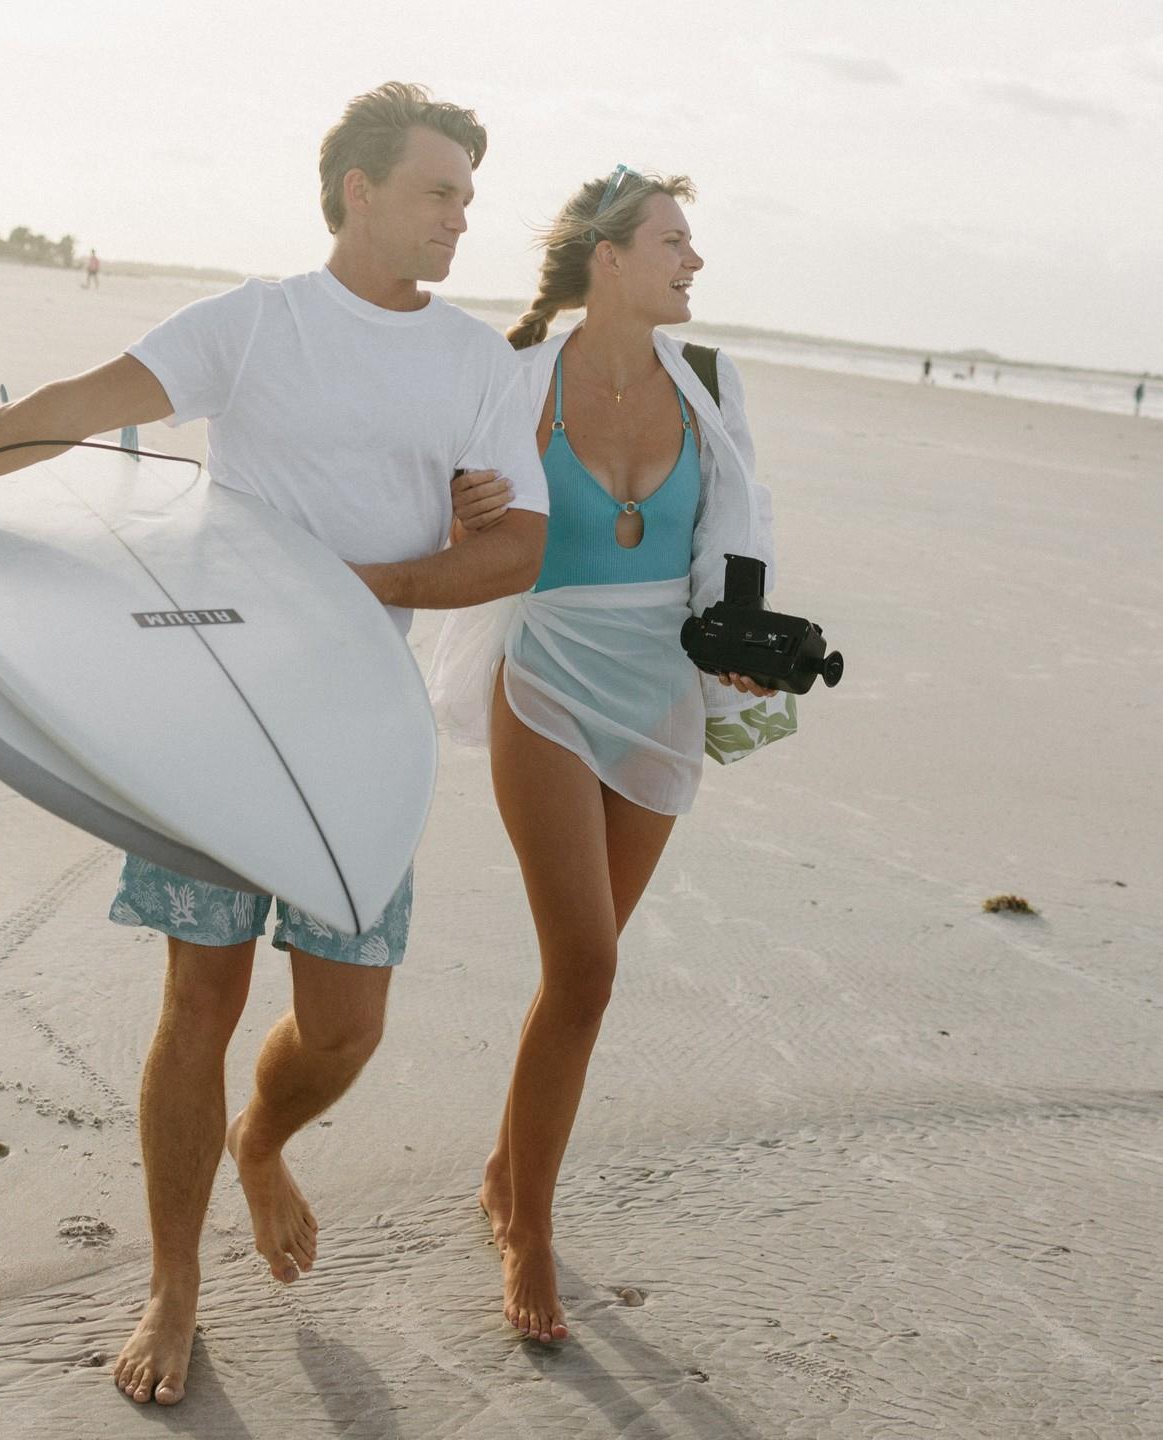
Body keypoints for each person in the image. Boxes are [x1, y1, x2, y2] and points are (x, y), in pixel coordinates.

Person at [0, 82, 548, 1406]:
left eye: (468, 196)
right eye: (440, 191)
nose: (460, 218)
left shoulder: (477, 365)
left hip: (354, 732)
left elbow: (519, 545)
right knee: (198, 1003)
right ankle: (174, 1281)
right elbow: (67, 412)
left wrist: (359, 583)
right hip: (207, 709)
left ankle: (263, 1146)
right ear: (358, 191)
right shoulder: (256, 325)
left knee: (346, 1026)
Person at [430, 167, 777, 1344]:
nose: (693, 260)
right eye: (673, 239)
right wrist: (464, 512)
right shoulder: (517, 380)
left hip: (661, 691)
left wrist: (742, 648)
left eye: (694, 241)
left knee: (583, 975)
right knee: (585, 966)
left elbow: (734, 545)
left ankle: (501, 1171)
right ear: (607, 256)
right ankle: (527, 1232)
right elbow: (453, 523)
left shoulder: (714, 383)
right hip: (550, 673)